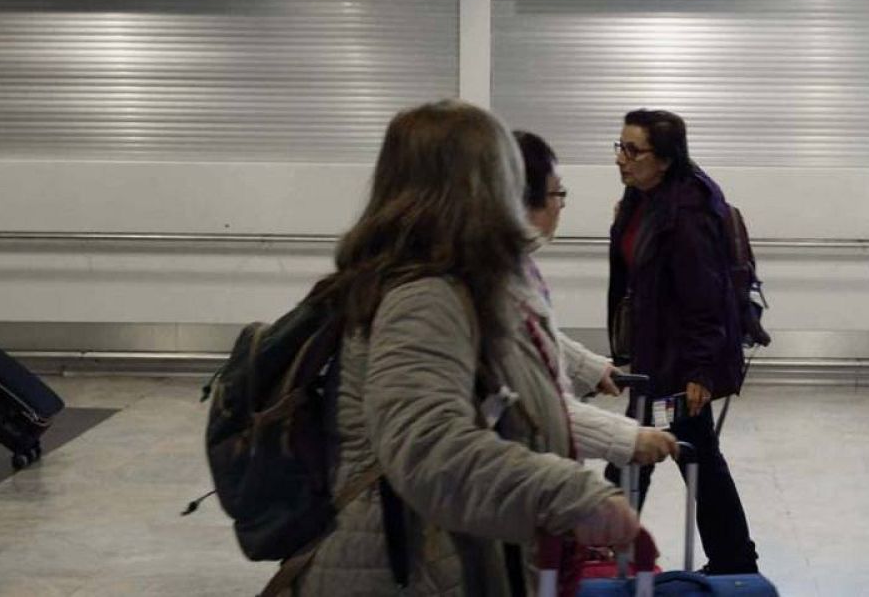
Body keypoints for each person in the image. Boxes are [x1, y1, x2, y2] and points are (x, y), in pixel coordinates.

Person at [297, 101, 637, 597]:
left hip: (443, 554)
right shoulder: (424, 295)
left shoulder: (462, 282)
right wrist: (573, 493)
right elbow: (429, 445)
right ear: (478, 187)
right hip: (405, 568)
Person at [606, 109, 759, 575]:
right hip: (656, 353)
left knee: (639, 453)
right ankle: (734, 559)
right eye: (619, 147)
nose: (622, 159)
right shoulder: (641, 199)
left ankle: (606, 547)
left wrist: (700, 370)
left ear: (666, 158)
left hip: (677, 362)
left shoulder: (688, 211)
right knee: (691, 455)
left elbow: (704, 295)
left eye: (633, 150)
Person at [514, 130, 678, 469]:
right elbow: (531, 406)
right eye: (557, 193)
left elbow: (528, 333)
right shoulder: (483, 276)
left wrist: (589, 367)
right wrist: (626, 438)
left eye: (632, 150)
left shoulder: (512, 265)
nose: (621, 159)